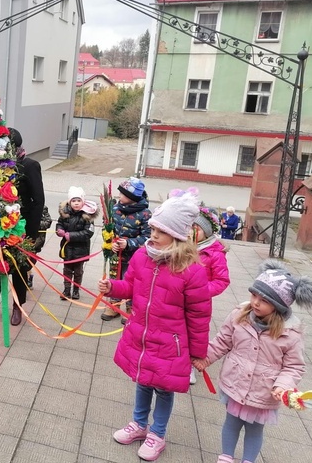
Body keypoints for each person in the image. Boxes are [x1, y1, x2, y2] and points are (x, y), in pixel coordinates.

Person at [97, 191, 211, 462]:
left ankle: (157, 434)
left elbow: (199, 314)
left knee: (163, 388)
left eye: (161, 230)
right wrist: (113, 287)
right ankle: (139, 425)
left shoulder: (191, 270)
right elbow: (131, 287)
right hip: (142, 336)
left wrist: (197, 353)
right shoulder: (141, 257)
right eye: (153, 229)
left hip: (170, 343)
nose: (154, 234)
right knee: (142, 381)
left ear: (176, 234)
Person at [193, 261, 312, 463]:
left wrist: (282, 386)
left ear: (278, 306)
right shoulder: (238, 316)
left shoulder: (290, 334)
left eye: (264, 300)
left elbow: (293, 366)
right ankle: (226, 457)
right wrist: (206, 359)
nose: (256, 302)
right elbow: (223, 341)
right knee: (231, 423)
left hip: (264, 392)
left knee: (254, 430)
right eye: (254, 295)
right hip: (236, 383)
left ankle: (248, 460)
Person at [0, 128, 45, 326]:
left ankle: (18, 306)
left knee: (19, 267)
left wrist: (32, 233)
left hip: (21, 227)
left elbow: (38, 201)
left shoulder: (29, 165)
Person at [101, 177, 152, 324]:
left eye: (122, 194)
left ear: (131, 197)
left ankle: (130, 308)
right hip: (116, 255)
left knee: (131, 281)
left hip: (134, 258)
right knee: (114, 278)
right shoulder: (115, 209)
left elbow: (148, 237)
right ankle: (113, 306)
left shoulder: (145, 214)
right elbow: (107, 228)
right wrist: (111, 242)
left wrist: (129, 243)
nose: (119, 196)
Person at [189, 205, 230, 385]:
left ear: (205, 231)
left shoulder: (214, 253)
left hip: (199, 303)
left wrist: (202, 291)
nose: (191, 232)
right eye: (189, 228)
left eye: (195, 229)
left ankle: (191, 366)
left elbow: (222, 280)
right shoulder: (183, 247)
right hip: (180, 299)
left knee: (195, 334)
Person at [56, 187, 98, 301]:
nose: (76, 203)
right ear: (70, 202)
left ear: (82, 202)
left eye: (78, 201)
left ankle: (76, 290)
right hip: (67, 248)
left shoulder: (87, 215)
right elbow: (59, 224)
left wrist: (72, 236)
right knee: (67, 270)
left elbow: (88, 232)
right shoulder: (65, 214)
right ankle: (66, 289)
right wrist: (59, 230)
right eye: (73, 201)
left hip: (81, 249)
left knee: (78, 271)